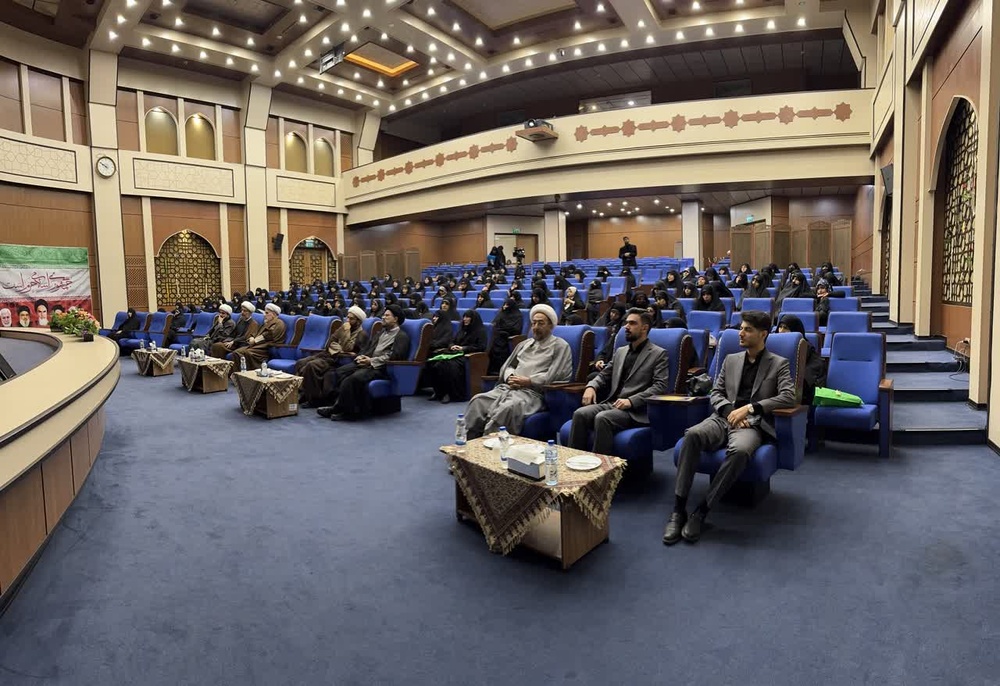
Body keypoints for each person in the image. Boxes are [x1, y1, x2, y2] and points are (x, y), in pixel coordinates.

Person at [663, 310, 796, 545]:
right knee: (692, 435)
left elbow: (788, 396)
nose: (740, 333)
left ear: (763, 334)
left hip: (751, 425)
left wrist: (750, 409)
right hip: (722, 418)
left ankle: (702, 511)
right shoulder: (731, 359)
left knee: (741, 451)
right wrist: (728, 411)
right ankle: (678, 509)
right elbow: (716, 392)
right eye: (741, 328)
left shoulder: (778, 364)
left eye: (747, 330)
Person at [568, 309, 670, 455]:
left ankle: (602, 466)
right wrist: (591, 386)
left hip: (636, 411)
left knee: (603, 418)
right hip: (613, 403)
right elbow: (604, 375)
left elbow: (660, 386)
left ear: (644, 328)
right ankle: (574, 460)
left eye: (632, 323)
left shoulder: (658, 354)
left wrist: (631, 401)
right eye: (626, 323)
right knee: (580, 414)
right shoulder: (620, 351)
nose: (626, 327)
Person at [464, 304, 573, 438]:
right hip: (509, 388)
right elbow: (508, 366)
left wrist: (528, 381)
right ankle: (470, 444)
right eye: (533, 323)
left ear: (551, 325)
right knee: (478, 401)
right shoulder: (525, 344)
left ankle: (492, 447)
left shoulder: (560, 346)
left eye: (541, 323)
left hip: (532, 394)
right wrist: (510, 376)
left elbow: (556, 375)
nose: (536, 327)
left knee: (506, 409)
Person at [317, 305, 411, 421]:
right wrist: (361, 356)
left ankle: (347, 411)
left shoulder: (401, 336)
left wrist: (371, 361)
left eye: (387, 315)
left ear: (395, 319)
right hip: (368, 363)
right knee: (340, 372)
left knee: (352, 379)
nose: (383, 317)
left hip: (382, 368)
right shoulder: (381, 333)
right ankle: (339, 405)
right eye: (383, 315)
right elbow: (367, 348)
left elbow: (395, 357)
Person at [296, 305, 368, 407]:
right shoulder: (343, 328)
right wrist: (339, 347)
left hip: (339, 360)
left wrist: (344, 336)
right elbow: (330, 342)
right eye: (347, 317)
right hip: (328, 354)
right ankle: (303, 394)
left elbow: (349, 348)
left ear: (358, 321)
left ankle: (314, 400)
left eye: (351, 319)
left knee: (312, 366)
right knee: (301, 362)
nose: (348, 320)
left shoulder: (361, 334)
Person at [425, 309, 488, 403]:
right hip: (454, 354)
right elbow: (452, 341)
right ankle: (438, 392)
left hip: (468, 357)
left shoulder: (480, 331)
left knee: (444, 365)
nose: (465, 319)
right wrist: (452, 346)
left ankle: (449, 393)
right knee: (432, 362)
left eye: (467, 317)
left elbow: (481, 347)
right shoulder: (462, 330)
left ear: (473, 319)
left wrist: (463, 348)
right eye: (464, 317)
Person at [777, 314, 826, 404]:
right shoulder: (774, 347)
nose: (781, 331)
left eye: (786, 328)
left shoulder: (806, 349)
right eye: (780, 327)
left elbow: (806, 379)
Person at [231, 303, 286, 373]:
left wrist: (255, 340)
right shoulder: (267, 323)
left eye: (267, 313)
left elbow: (269, 334)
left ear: (274, 314)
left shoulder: (279, 323)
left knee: (244, 353)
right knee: (236, 352)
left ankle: (249, 374)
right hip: (258, 346)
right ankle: (238, 375)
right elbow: (257, 332)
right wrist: (252, 337)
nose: (264, 315)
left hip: (266, 348)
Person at [488, 297, 523, 375]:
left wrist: (503, 330)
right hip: (499, 335)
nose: (505, 307)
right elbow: (494, 324)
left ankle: (500, 371)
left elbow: (516, 329)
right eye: (504, 304)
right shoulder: (501, 313)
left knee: (500, 346)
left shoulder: (517, 315)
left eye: (507, 305)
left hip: (509, 337)